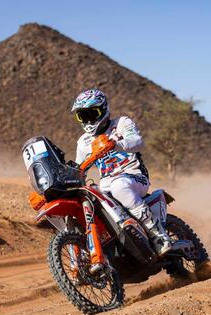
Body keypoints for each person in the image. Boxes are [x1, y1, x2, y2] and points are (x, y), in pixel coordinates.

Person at [72, 89, 172, 255]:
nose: (88, 120)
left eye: (92, 113)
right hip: (107, 185)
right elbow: (78, 167)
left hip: (134, 176)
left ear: (103, 110)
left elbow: (137, 141)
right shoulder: (83, 142)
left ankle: (158, 235)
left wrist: (116, 144)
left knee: (120, 186)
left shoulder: (121, 123)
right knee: (91, 199)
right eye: (82, 116)